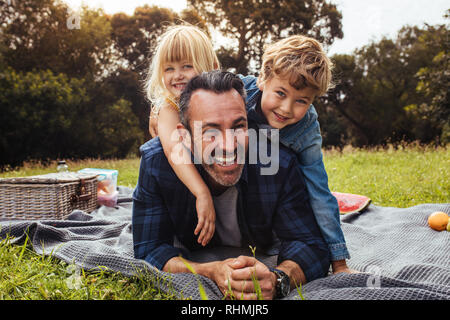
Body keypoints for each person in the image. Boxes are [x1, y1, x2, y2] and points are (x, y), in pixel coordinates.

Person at [150, 34, 353, 273]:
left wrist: (339, 263)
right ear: (262, 79)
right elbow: (205, 93)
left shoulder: (306, 130)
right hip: (229, 177)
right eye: (280, 93)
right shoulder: (239, 91)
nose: (286, 109)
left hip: (272, 187)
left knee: (311, 193)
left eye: (301, 101)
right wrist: (163, 112)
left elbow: (319, 192)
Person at [132, 71, 330, 300]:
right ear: (184, 137)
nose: (228, 145)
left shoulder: (278, 163)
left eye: (238, 127)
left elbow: (312, 246)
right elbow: (149, 250)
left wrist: (278, 279)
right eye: (210, 131)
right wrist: (209, 271)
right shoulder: (156, 163)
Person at [145, 24, 220, 246]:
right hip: (181, 187)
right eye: (169, 69)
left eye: (187, 66)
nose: (177, 75)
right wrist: (202, 193)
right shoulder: (168, 107)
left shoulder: (219, 97)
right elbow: (173, 150)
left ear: (211, 67)